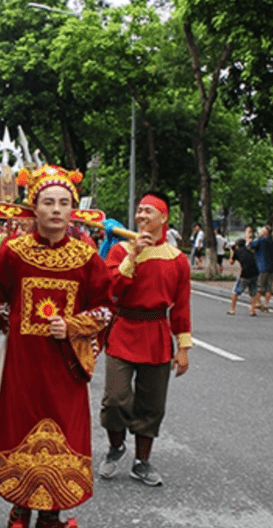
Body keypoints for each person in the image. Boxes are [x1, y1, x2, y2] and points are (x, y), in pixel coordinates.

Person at [0, 165, 112, 528]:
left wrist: (73, 326)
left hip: (66, 365)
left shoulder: (87, 257)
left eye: (63, 203)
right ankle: (19, 509)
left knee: (64, 429)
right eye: (48, 202)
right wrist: (21, 329)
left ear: (73, 209)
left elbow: (105, 308)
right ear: (34, 208)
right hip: (24, 365)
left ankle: (51, 514)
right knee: (18, 426)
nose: (56, 209)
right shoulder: (14, 252)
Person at [98, 192, 192, 487]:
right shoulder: (119, 251)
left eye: (148, 211)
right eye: (139, 210)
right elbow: (111, 290)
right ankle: (116, 447)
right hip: (123, 329)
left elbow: (181, 307)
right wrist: (132, 256)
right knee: (114, 399)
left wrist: (184, 348)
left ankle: (142, 461)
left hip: (156, 334)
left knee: (152, 404)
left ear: (163, 218)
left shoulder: (177, 260)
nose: (141, 216)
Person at [228, 239, 259, 316]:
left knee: (236, 292)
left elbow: (231, 262)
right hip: (256, 273)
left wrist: (232, 253)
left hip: (245, 274)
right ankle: (252, 311)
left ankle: (232, 309)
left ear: (237, 245)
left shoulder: (237, 251)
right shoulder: (250, 251)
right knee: (253, 292)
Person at [250, 226, 273, 312]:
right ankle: (266, 305)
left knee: (259, 287)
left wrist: (257, 236)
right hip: (270, 267)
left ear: (264, 232)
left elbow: (251, 245)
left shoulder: (260, 241)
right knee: (268, 288)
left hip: (260, 267)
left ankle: (259, 303)